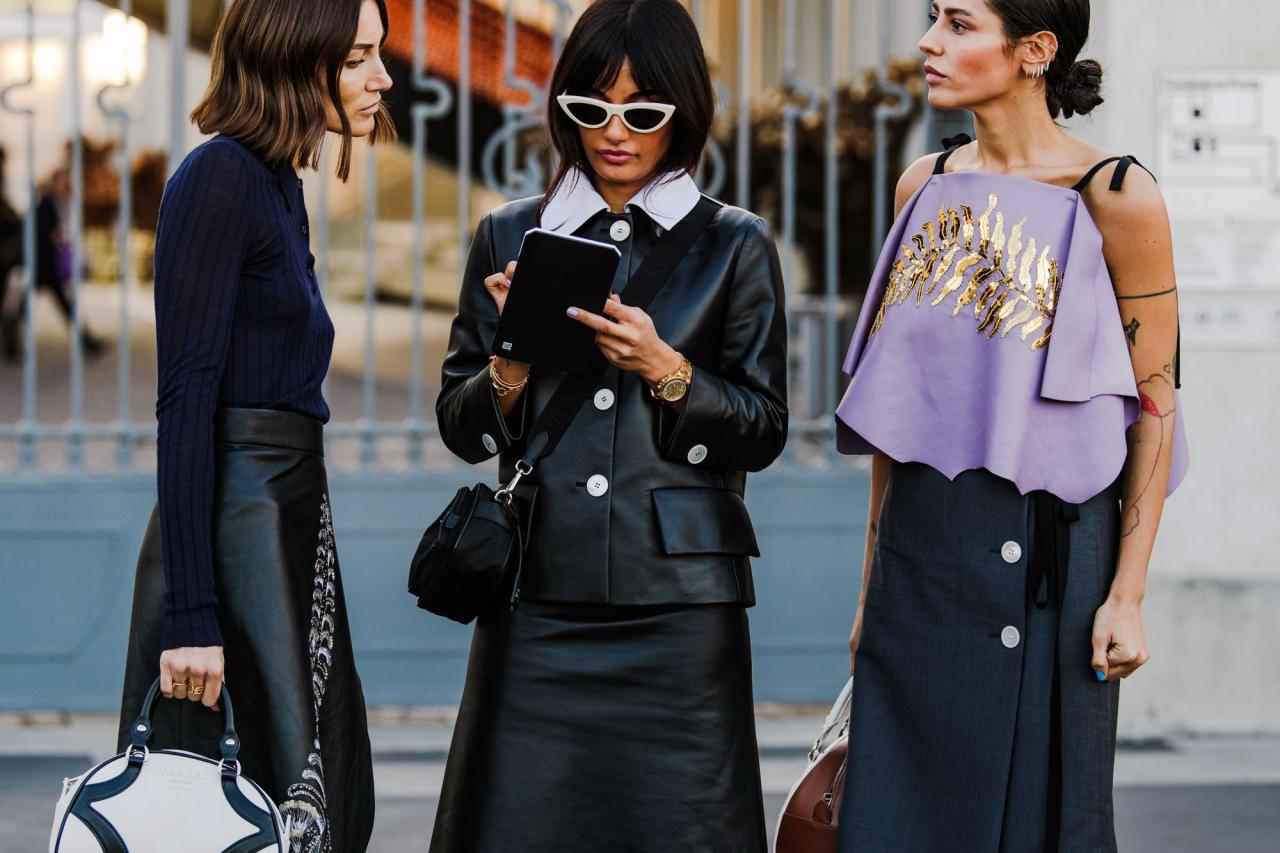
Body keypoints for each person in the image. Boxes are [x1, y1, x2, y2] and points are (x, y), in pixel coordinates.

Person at [431, 1, 788, 850]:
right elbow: (460, 424)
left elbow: (765, 428)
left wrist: (667, 370)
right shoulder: (509, 234)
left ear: (684, 111)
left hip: (681, 608)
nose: (614, 132)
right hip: (538, 595)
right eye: (590, 109)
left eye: (643, 112)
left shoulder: (736, 246)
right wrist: (512, 363)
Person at [834, 2, 1189, 851]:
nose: (929, 42)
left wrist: (1128, 594)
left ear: (1035, 50)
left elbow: (1157, 401)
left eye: (959, 23)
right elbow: (897, 410)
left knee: (1031, 820)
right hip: (922, 551)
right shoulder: (923, 183)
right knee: (894, 816)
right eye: (932, 19)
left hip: (1051, 557)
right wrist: (868, 587)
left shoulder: (1117, 194)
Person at [116, 0, 393, 848]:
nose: (381, 78)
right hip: (233, 547)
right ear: (290, 57)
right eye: (356, 58)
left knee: (311, 796)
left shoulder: (276, 184)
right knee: (238, 806)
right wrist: (191, 617)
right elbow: (186, 400)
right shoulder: (220, 178)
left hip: (286, 535)